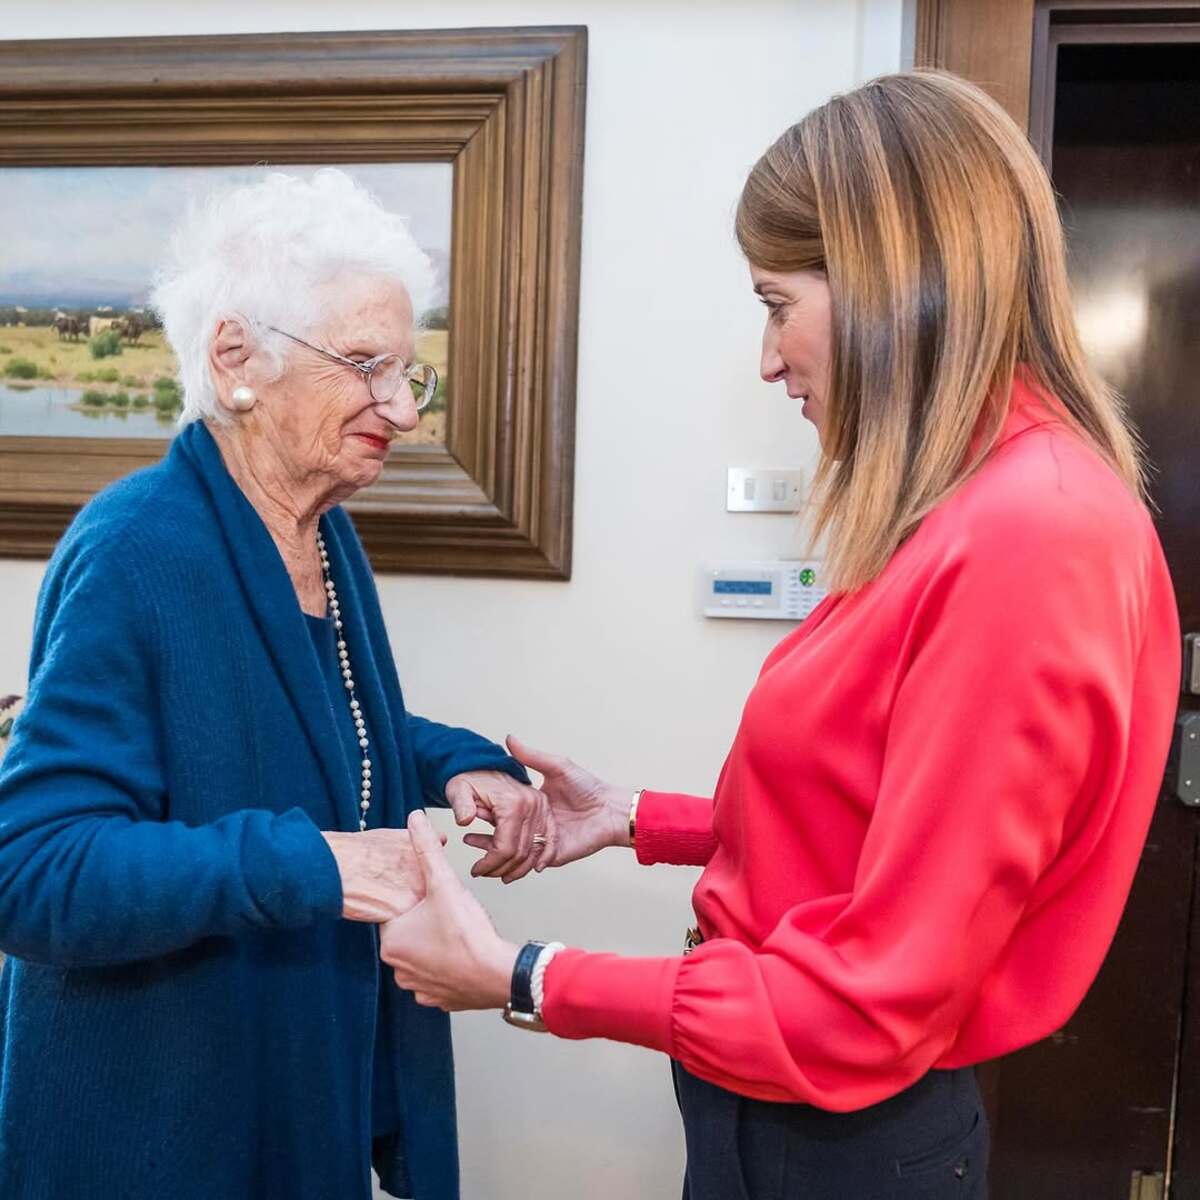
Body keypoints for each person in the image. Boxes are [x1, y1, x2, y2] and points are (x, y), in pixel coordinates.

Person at [377, 71, 1181, 1199]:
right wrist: (635, 820)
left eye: (774, 303)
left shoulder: (1027, 534)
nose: (767, 359)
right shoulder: (974, 504)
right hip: (785, 1114)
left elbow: (866, 1005)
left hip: (837, 1135)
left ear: (890, 282)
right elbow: (884, 822)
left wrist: (524, 976)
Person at [0, 168, 551, 1200]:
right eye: (364, 365)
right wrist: (310, 865)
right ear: (236, 358)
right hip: (150, 1134)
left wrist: (457, 763)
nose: (399, 406)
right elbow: (32, 869)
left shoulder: (319, 536)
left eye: (407, 373)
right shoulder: (134, 552)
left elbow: (304, 715)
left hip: (285, 1091)